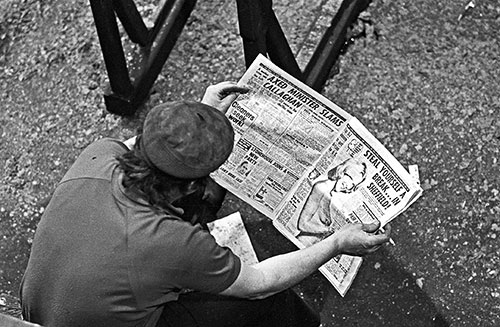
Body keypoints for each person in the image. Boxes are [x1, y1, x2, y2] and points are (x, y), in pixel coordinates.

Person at [20, 82, 391, 327]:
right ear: (190, 185)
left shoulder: (99, 152)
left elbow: (147, 144)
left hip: (39, 312)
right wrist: (338, 242)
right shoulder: (170, 242)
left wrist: (198, 117)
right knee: (269, 305)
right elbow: (260, 282)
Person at [297, 158, 368, 245]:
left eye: (353, 184)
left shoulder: (329, 195)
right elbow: (302, 225)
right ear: (341, 171)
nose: (348, 185)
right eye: (350, 177)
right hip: (299, 245)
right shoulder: (321, 187)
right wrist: (329, 231)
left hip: (310, 250)